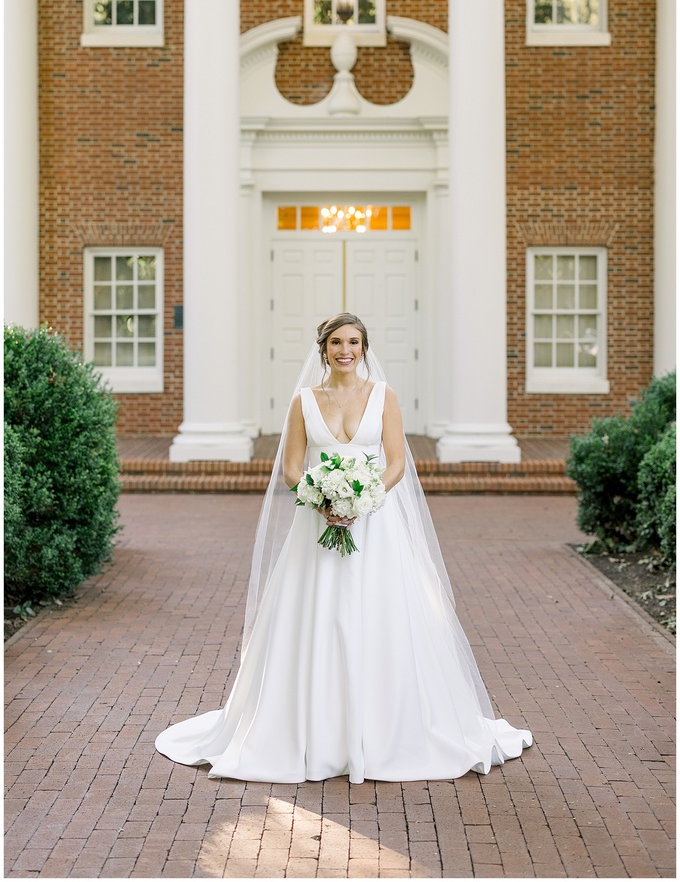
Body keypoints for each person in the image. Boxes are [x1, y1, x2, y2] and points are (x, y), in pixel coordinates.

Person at [155, 313, 532, 783]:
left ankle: (388, 730)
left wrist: (365, 497)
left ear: (364, 348)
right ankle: (314, 732)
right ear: (324, 349)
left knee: (381, 618)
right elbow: (293, 468)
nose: (345, 350)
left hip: (377, 528)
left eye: (354, 342)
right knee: (318, 618)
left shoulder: (384, 397)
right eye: (337, 342)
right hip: (317, 530)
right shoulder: (304, 402)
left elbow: (395, 462)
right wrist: (322, 498)